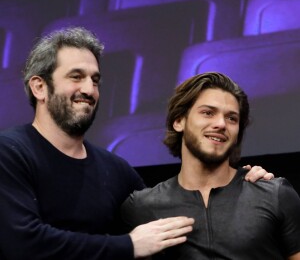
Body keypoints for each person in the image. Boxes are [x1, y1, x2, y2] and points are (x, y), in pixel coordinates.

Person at [0, 27, 272, 260]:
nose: (89, 89)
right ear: (39, 87)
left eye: (95, 80)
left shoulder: (116, 170)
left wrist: (240, 186)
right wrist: (128, 245)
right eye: (76, 76)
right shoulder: (10, 153)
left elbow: (172, 219)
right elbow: (22, 244)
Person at [121, 72, 300, 259]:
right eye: (208, 113)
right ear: (179, 121)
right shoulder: (140, 207)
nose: (221, 124)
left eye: (232, 118)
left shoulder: (275, 194)